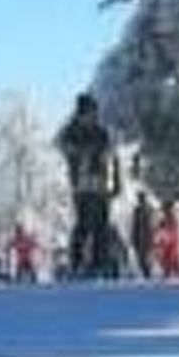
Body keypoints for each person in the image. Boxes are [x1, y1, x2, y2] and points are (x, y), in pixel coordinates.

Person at [57, 92, 121, 278]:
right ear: (80, 113)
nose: (91, 117)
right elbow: (63, 145)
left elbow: (113, 155)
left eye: (93, 113)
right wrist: (80, 154)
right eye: (87, 113)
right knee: (84, 224)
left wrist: (117, 182)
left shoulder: (101, 132)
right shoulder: (72, 131)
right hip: (82, 185)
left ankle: (100, 262)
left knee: (102, 224)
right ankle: (77, 262)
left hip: (101, 184)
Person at [154, 199, 179, 279]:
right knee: (167, 263)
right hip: (168, 244)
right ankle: (169, 275)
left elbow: (176, 233)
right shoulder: (164, 221)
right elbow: (159, 231)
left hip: (173, 244)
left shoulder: (175, 219)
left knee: (174, 262)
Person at [129, 190, 157, 281]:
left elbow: (152, 224)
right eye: (139, 198)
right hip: (140, 238)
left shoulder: (149, 210)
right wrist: (133, 237)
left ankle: (148, 271)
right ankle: (145, 271)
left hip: (147, 238)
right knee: (141, 257)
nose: (140, 200)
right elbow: (134, 225)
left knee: (147, 256)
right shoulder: (137, 211)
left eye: (141, 198)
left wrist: (153, 237)